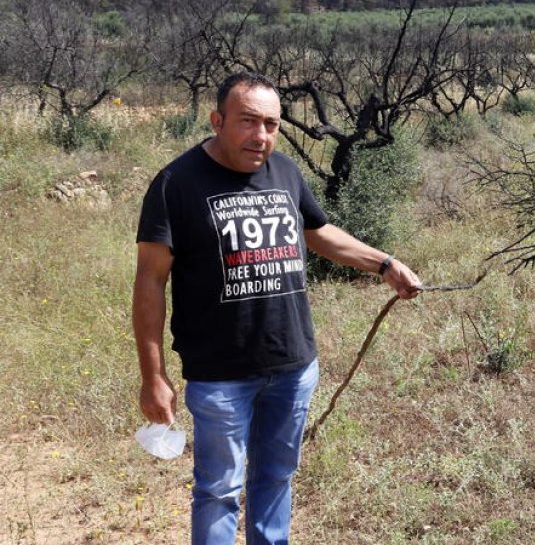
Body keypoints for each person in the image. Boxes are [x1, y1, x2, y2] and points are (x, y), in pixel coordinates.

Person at [132, 71, 422, 544]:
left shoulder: (285, 171)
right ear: (217, 120)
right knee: (219, 490)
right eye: (248, 121)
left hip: (292, 366)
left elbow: (318, 233)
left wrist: (384, 264)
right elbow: (150, 281)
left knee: (275, 479)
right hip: (219, 375)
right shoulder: (175, 183)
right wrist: (153, 375)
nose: (260, 135)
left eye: (271, 123)